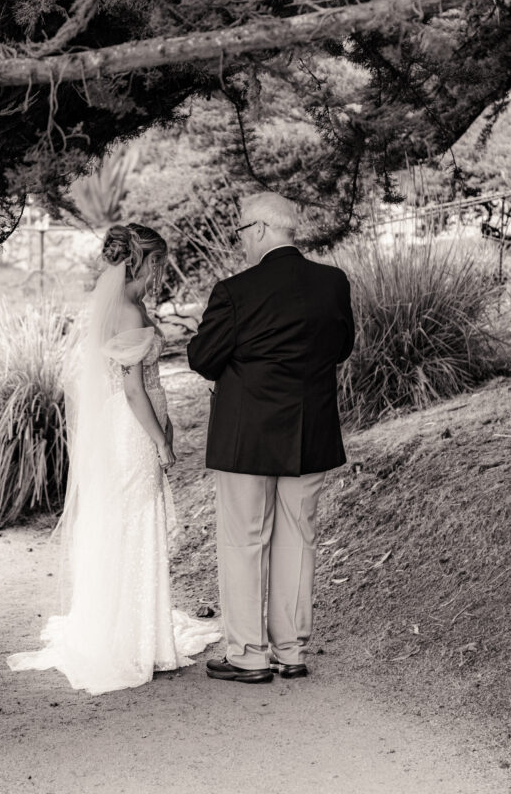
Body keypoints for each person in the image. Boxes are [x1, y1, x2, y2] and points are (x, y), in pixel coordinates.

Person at [8, 223, 221, 695]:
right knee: (134, 523)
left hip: (138, 423)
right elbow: (131, 388)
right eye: (161, 263)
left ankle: (143, 628)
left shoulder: (131, 303)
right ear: (144, 261)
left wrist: (166, 425)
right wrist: (160, 442)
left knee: (135, 523)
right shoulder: (126, 310)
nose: (164, 272)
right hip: (130, 431)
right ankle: (131, 638)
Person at [187, 193, 355, 684]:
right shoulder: (333, 282)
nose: (240, 241)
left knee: (244, 542)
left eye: (240, 232)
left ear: (258, 230)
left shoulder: (236, 291)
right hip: (311, 430)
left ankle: (247, 653)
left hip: (248, 436)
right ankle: (291, 651)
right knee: (297, 540)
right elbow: (341, 346)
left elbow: (202, 358)